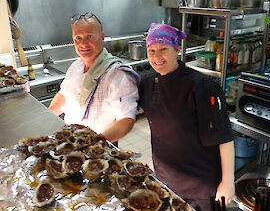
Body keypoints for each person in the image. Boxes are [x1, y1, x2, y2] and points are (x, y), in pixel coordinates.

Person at [138, 23, 235, 211]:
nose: (157, 57)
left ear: (176, 49)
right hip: (165, 178)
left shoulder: (202, 86)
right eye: (151, 50)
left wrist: (228, 181)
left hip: (200, 185)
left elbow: (224, 137)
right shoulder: (148, 83)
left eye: (163, 49)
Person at [49, 13, 139, 142]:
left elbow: (126, 119)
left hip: (99, 146)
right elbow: (64, 94)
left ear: (102, 37)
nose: (83, 44)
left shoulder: (118, 74)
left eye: (89, 37)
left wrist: (94, 143)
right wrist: (49, 116)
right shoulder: (76, 66)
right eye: (78, 38)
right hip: (70, 139)